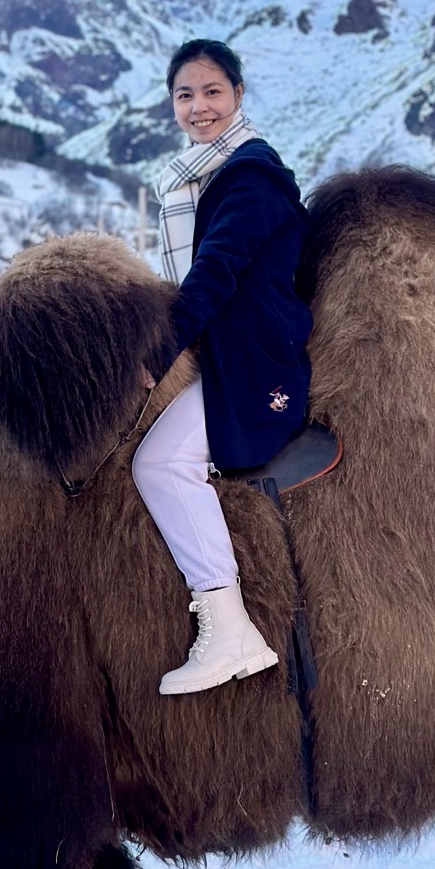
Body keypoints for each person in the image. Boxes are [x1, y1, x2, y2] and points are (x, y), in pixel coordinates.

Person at [132, 39, 312, 695]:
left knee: (158, 464)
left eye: (212, 92)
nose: (199, 106)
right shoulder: (205, 176)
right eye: (185, 95)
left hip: (255, 370)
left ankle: (228, 626)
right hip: (226, 361)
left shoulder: (250, 176)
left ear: (237, 95)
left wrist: (158, 351)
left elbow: (215, 270)